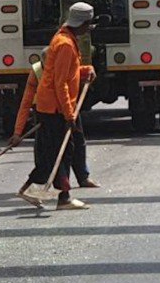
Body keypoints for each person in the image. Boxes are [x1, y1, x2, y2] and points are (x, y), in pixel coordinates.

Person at [18, 2, 97, 210]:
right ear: (81, 24)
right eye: (88, 25)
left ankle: (33, 191)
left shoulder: (66, 40)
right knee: (60, 153)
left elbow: (68, 73)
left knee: (55, 154)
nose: (88, 29)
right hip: (54, 108)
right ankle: (63, 198)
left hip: (55, 106)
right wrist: (69, 115)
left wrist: (85, 70)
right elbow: (59, 82)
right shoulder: (64, 45)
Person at [10, 54, 98, 193]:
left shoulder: (65, 67)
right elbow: (26, 103)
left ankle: (80, 178)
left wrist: (90, 71)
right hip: (47, 115)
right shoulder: (37, 72)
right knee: (46, 153)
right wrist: (17, 132)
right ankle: (43, 188)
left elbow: (84, 70)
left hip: (68, 111)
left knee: (76, 144)